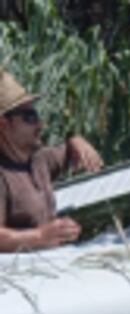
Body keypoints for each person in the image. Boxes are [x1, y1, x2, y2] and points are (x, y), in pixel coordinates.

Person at [0, 69, 103, 253]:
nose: (40, 125)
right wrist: (39, 236)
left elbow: (69, 151)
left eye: (36, 115)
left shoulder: (39, 159)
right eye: (29, 117)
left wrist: (76, 141)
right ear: (4, 124)